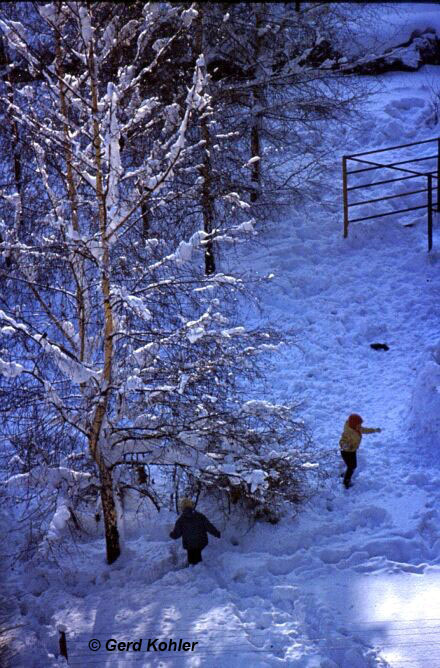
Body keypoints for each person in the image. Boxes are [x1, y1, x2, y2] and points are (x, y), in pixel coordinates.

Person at [169, 498, 221, 565]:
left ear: (182, 507)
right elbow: (208, 526)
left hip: (189, 544)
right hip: (200, 542)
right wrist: (217, 533)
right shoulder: (199, 516)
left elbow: (176, 534)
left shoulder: (181, 520)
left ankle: (194, 570)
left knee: (192, 561)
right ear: (191, 506)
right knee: (198, 557)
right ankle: (199, 569)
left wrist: (172, 534)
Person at [339, 413, 381, 489]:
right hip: (346, 452)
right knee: (352, 466)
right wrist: (344, 445)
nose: (360, 426)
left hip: (352, 450)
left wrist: (374, 430)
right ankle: (346, 482)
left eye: (360, 424)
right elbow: (342, 440)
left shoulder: (356, 427)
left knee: (352, 466)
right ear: (353, 424)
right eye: (359, 425)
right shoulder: (348, 432)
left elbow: (364, 430)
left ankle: (345, 474)